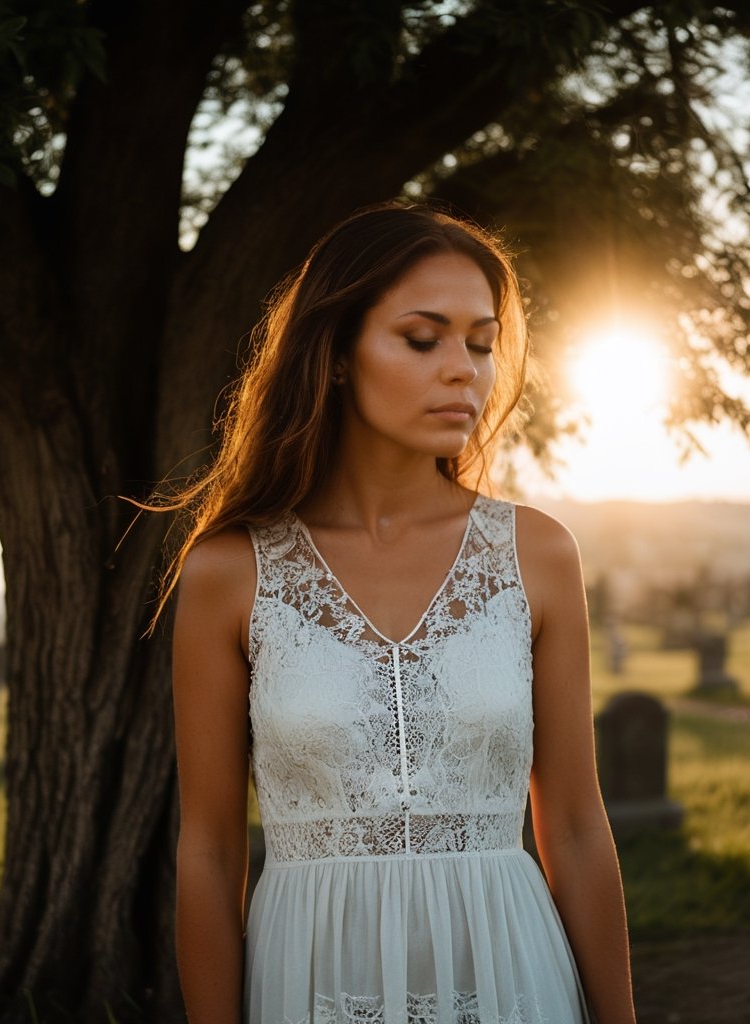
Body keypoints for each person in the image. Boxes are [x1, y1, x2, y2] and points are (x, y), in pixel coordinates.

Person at [166, 202, 636, 1024]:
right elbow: (207, 853)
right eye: (424, 339)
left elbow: (574, 824)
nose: (464, 370)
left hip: (511, 977)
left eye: (482, 343)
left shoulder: (539, 556)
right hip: (312, 984)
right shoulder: (229, 572)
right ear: (338, 352)